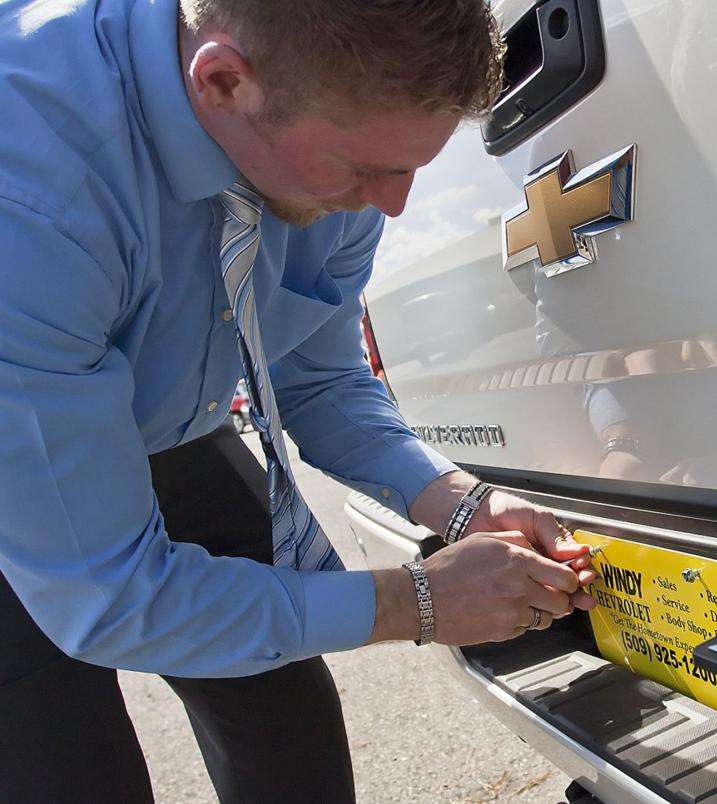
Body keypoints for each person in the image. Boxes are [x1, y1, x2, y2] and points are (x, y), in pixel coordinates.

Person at [0, 1, 595, 801]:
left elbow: (318, 380)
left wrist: (462, 506)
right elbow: (109, 598)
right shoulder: (30, 191)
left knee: (288, 729)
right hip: (18, 459)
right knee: (68, 768)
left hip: (173, 426)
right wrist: (414, 599)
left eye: (414, 165)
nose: (393, 205)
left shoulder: (346, 159)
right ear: (222, 81)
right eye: (363, 168)